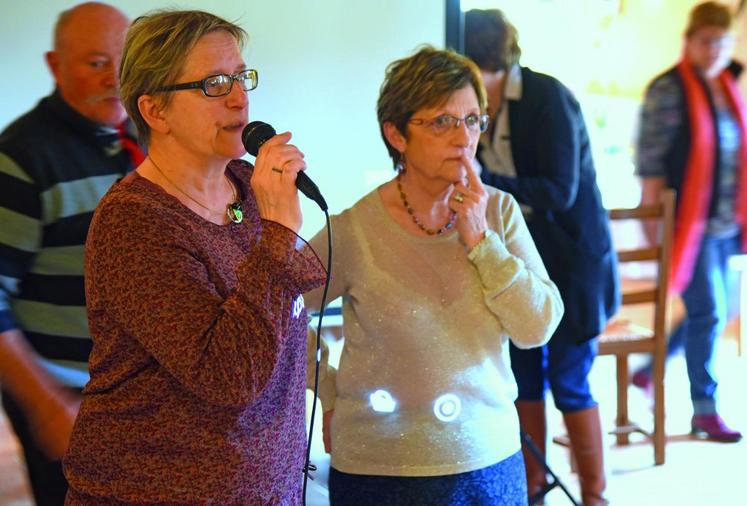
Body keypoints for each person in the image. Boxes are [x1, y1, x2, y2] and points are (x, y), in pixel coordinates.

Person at [61, 10, 326, 504]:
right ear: (155, 110)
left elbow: (285, 310)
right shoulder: (135, 221)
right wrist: (278, 232)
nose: (239, 97)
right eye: (213, 83)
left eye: (241, 77)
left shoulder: (248, 187)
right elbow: (228, 376)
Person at [305, 46, 564, 506]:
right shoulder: (354, 228)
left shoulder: (499, 212)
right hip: (377, 469)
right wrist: (328, 389)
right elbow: (279, 311)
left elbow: (537, 327)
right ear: (397, 134)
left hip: (489, 460)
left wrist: (482, 243)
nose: (464, 138)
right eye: (442, 121)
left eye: (473, 120)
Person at [464, 9, 620, 506]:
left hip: (572, 261)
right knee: (523, 376)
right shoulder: (471, 104)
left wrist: (483, 183)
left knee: (570, 379)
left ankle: (594, 495)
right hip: (517, 258)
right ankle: (532, 488)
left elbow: (559, 190)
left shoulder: (547, 96)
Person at [0, 3, 136, 504]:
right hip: (70, 401)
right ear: (55, 66)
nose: (115, 78)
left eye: (124, 61)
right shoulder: (20, 157)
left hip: (137, 394)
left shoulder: (141, 136)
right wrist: (45, 404)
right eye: (96, 63)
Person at [633, 1, 744, 443]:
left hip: (725, 223)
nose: (715, 49)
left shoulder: (727, 84)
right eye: (707, 41)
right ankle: (704, 409)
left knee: (716, 310)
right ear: (689, 41)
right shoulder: (669, 89)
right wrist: (654, 228)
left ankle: (649, 369)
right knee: (709, 312)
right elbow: (651, 163)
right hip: (688, 226)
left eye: (723, 41)